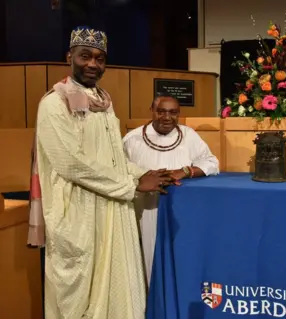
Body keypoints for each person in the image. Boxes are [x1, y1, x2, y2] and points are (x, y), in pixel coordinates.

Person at [27, 26, 172, 319]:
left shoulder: (104, 102)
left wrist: (148, 173)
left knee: (117, 294)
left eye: (100, 58)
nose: (93, 64)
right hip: (78, 214)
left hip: (111, 209)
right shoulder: (55, 103)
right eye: (85, 56)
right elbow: (70, 163)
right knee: (77, 298)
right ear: (70, 56)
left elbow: (114, 157)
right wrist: (132, 186)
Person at [123, 95, 219, 286]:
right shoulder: (132, 139)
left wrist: (184, 171)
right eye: (161, 111)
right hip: (145, 211)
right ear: (152, 110)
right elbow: (119, 171)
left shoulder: (188, 135)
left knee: (179, 262)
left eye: (173, 112)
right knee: (147, 261)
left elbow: (212, 163)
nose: (167, 117)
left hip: (181, 212)